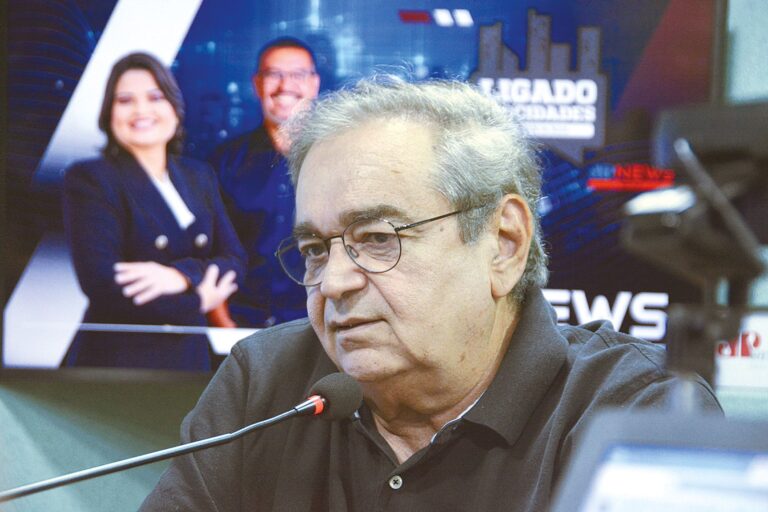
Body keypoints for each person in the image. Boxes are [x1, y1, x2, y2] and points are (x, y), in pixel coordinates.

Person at [140, 77, 721, 510]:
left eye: (377, 238)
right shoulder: (264, 382)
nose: (333, 282)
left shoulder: (633, 409)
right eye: (315, 248)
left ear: (504, 244)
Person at [62, 52, 246, 370]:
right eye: (125, 100)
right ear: (109, 113)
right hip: (120, 364)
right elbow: (105, 285)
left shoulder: (198, 175)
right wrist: (199, 299)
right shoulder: (91, 179)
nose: (141, 110)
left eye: (155, 97)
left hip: (190, 357)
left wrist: (180, 275)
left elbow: (234, 260)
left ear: (174, 108)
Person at [209, 37, 321, 327]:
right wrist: (222, 321)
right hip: (242, 323)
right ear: (257, 84)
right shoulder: (225, 161)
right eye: (274, 74)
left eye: (298, 74)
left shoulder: (338, 156)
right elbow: (210, 248)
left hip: (320, 323)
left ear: (314, 83)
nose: (285, 85)